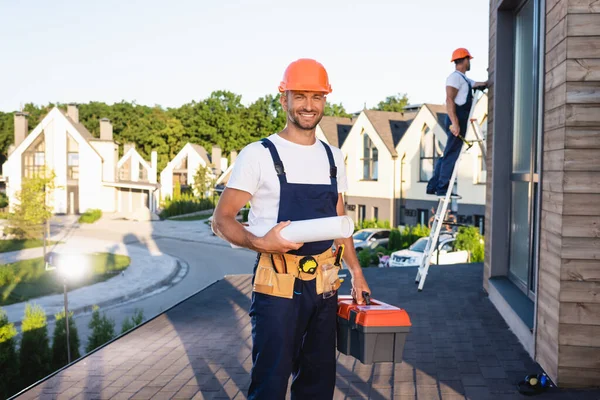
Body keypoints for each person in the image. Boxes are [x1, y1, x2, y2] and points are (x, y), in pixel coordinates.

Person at [212, 58, 371, 400]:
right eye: (300, 96)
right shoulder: (259, 155)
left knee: (317, 385)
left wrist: (356, 272)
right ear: (283, 98)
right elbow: (221, 219)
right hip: (277, 288)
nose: (308, 105)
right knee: (270, 384)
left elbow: (338, 217)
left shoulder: (334, 157)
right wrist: (260, 242)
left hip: (325, 286)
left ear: (325, 100)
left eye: (316, 97)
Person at [427, 48, 488, 198]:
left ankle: (433, 186)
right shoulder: (454, 78)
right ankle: (442, 188)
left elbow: (480, 84)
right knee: (451, 154)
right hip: (456, 119)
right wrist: (455, 123)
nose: (470, 62)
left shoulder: (465, 79)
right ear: (464, 60)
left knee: (448, 153)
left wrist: (491, 75)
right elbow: (449, 100)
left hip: (460, 119)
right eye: (469, 60)